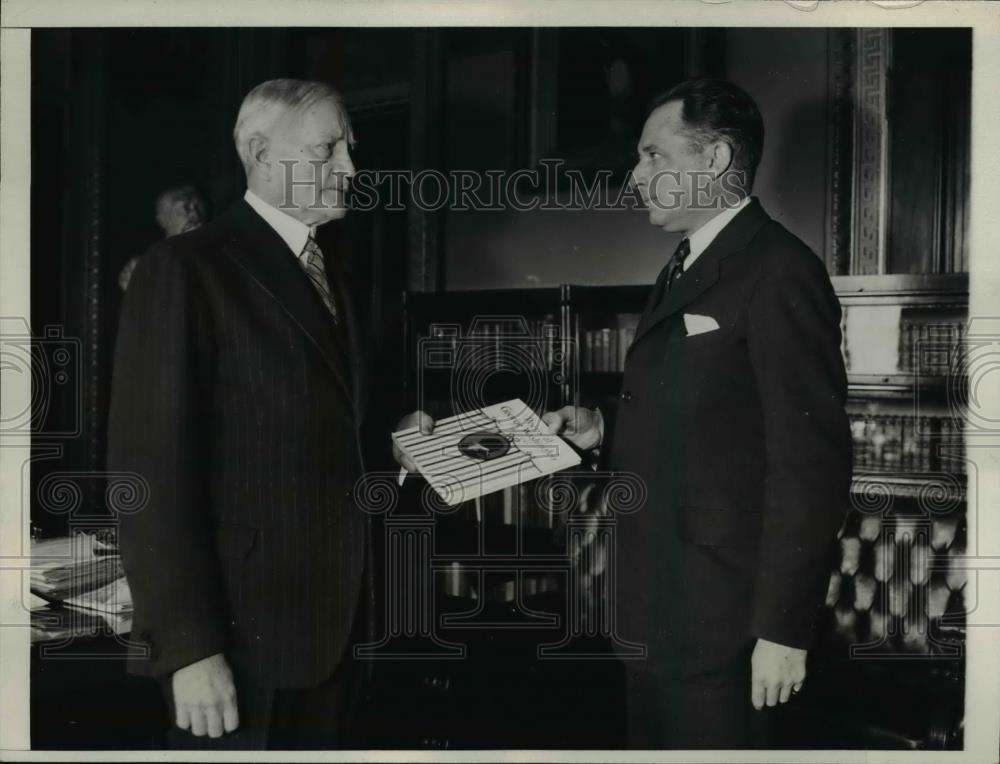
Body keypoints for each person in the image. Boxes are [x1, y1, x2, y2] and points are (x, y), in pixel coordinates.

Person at [542, 79, 852, 748]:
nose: (637, 176)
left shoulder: (777, 270)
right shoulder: (688, 266)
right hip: (659, 614)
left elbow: (811, 467)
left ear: (713, 161)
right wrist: (603, 433)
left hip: (727, 629)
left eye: (654, 156)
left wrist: (782, 630)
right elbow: (711, 426)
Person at [108, 78, 369, 749]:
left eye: (350, 148)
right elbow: (148, 474)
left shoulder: (334, 271)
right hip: (235, 644)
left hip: (334, 632)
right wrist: (189, 650)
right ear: (259, 151)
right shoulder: (185, 269)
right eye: (328, 149)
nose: (350, 169)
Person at [118, 185, 207, 291]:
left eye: (197, 206)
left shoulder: (219, 253)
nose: (194, 214)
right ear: (162, 219)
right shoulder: (149, 266)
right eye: (183, 209)